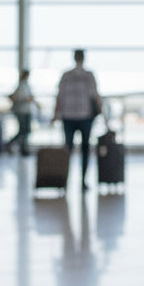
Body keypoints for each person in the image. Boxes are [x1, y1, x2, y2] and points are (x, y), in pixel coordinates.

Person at [53, 49, 102, 188]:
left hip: (67, 116)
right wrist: (102, 111)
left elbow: (59, 96)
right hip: (85, 116)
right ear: (83, 58)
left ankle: (64, 180)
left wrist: (55, 114)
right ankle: (83, 180)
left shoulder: (66, 75)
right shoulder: (89, 75)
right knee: (85, 149)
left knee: (68, 148)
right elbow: (95, 96)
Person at [6, 69, 40, 156]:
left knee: (25, 131)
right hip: (22, 112)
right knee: (23, 131)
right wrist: (28, 99)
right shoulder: (21, 86)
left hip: (26, 111)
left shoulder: (26, 85)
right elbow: (21, 97)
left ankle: (22, 148)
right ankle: (15, 146)